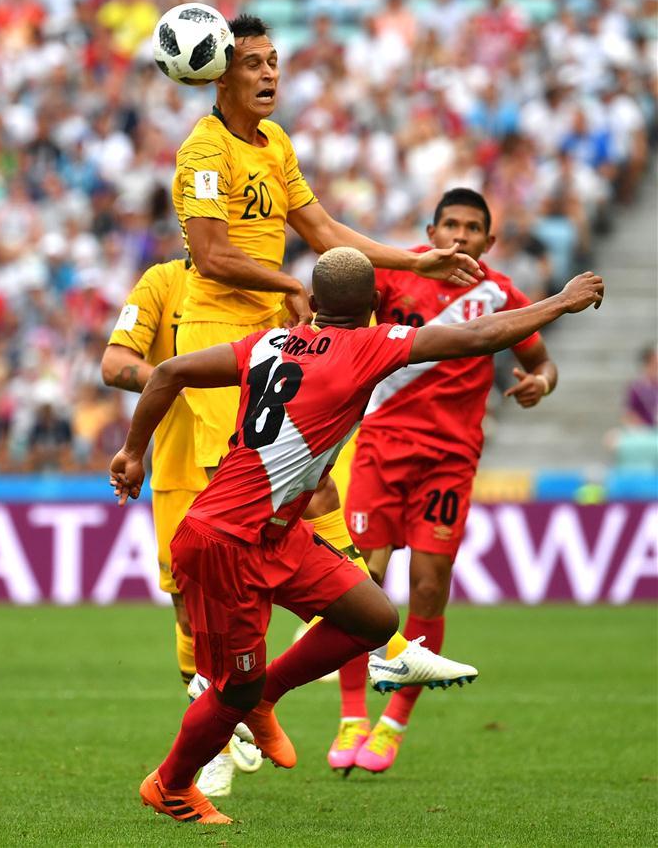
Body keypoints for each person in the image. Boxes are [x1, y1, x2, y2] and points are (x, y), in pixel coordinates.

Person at [109, 247, 604, 826]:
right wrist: (561, 302)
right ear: (373, 304)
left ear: (313, 304)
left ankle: (266, 694)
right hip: (226, 540)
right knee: (231, 692)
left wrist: (131, 452)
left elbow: (168, 372)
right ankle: (170, 785)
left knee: (373, 619)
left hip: (272, 531)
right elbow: (475, 337)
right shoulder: (368, 345)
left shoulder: (267, 342)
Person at [169, 11, 485, 761]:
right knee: (241, 506)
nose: (270, 74)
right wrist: (294, 284)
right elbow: (212, 256)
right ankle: (226, 691)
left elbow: (323, 231)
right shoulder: (203, 153)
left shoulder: (275, 144)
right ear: (217, 72)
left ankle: (278, 682)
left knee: (316, 492)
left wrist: (415, 263)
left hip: (278, 336)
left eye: (276, 61)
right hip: (219, 333)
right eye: (253, 64)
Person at [333, 189, 559, 775]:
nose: (459, 237)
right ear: (431, 231)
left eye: (472, 228)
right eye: (449, 225)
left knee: (428, 587)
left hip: (449, 459)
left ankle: (392, 726)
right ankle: (352, 714)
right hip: (380, 447)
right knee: (363, 585)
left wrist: (543, 382)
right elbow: (342, 322)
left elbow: (541, 360)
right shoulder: (393, 277)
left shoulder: (501, 296)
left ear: (489, 240)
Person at [102, 258, 262, 798]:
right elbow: (113, 363)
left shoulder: (266, 285)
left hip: (249, 463)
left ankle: (246, 712)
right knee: (188, 609)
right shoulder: (162, 282)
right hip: (177, 466)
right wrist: (185, 377)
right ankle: (213, 745)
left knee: (246, 600)